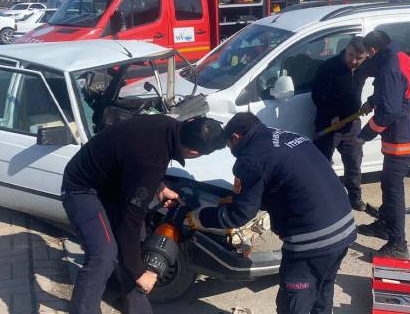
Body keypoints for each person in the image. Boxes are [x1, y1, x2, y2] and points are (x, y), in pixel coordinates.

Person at [174, 112, 357, 314]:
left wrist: (200, 217)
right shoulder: (288, 136)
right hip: (344, 228)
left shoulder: (252, 158)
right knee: (321, 294)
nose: (231, 150)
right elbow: (286, 182)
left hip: (312, 242)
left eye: (229, 145)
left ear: (235, 138)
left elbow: (238, 216)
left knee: (293, 305)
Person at [61, 115, 225, 314]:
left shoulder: (168, 126)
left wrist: (160, 186)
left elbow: (134, 157)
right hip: (82, 188)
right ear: (193, 152)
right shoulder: (151, 161)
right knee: (104, 254)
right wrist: (139, 274)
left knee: (132, 250)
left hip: (114, 185)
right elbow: (128, 224)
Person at [356, 31, 410, 259]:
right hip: (409, 133)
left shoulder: (390, 68)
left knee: (392, 186)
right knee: (388, 183)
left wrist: (364, 135)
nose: (365, 58)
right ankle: (385, 225)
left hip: (405, 138)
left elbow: (389, 111)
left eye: (366, 54)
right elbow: (393, 94)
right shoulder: (399, 58)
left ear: (372, 50)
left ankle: (398, 243)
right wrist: (372, 101)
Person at [311, 36, 370, 211]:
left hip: (352, 123)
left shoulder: (364, 67)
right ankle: (327, 197)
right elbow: (317, 96)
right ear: (346, 48)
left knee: (354, 162)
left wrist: (373, 101)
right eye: (351, 55)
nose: (353, 61)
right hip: (328, 125)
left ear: (366, 56)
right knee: (322, 164)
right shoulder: (329, 67)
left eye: (359, 58)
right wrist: (332, 115)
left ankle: (354, 197)